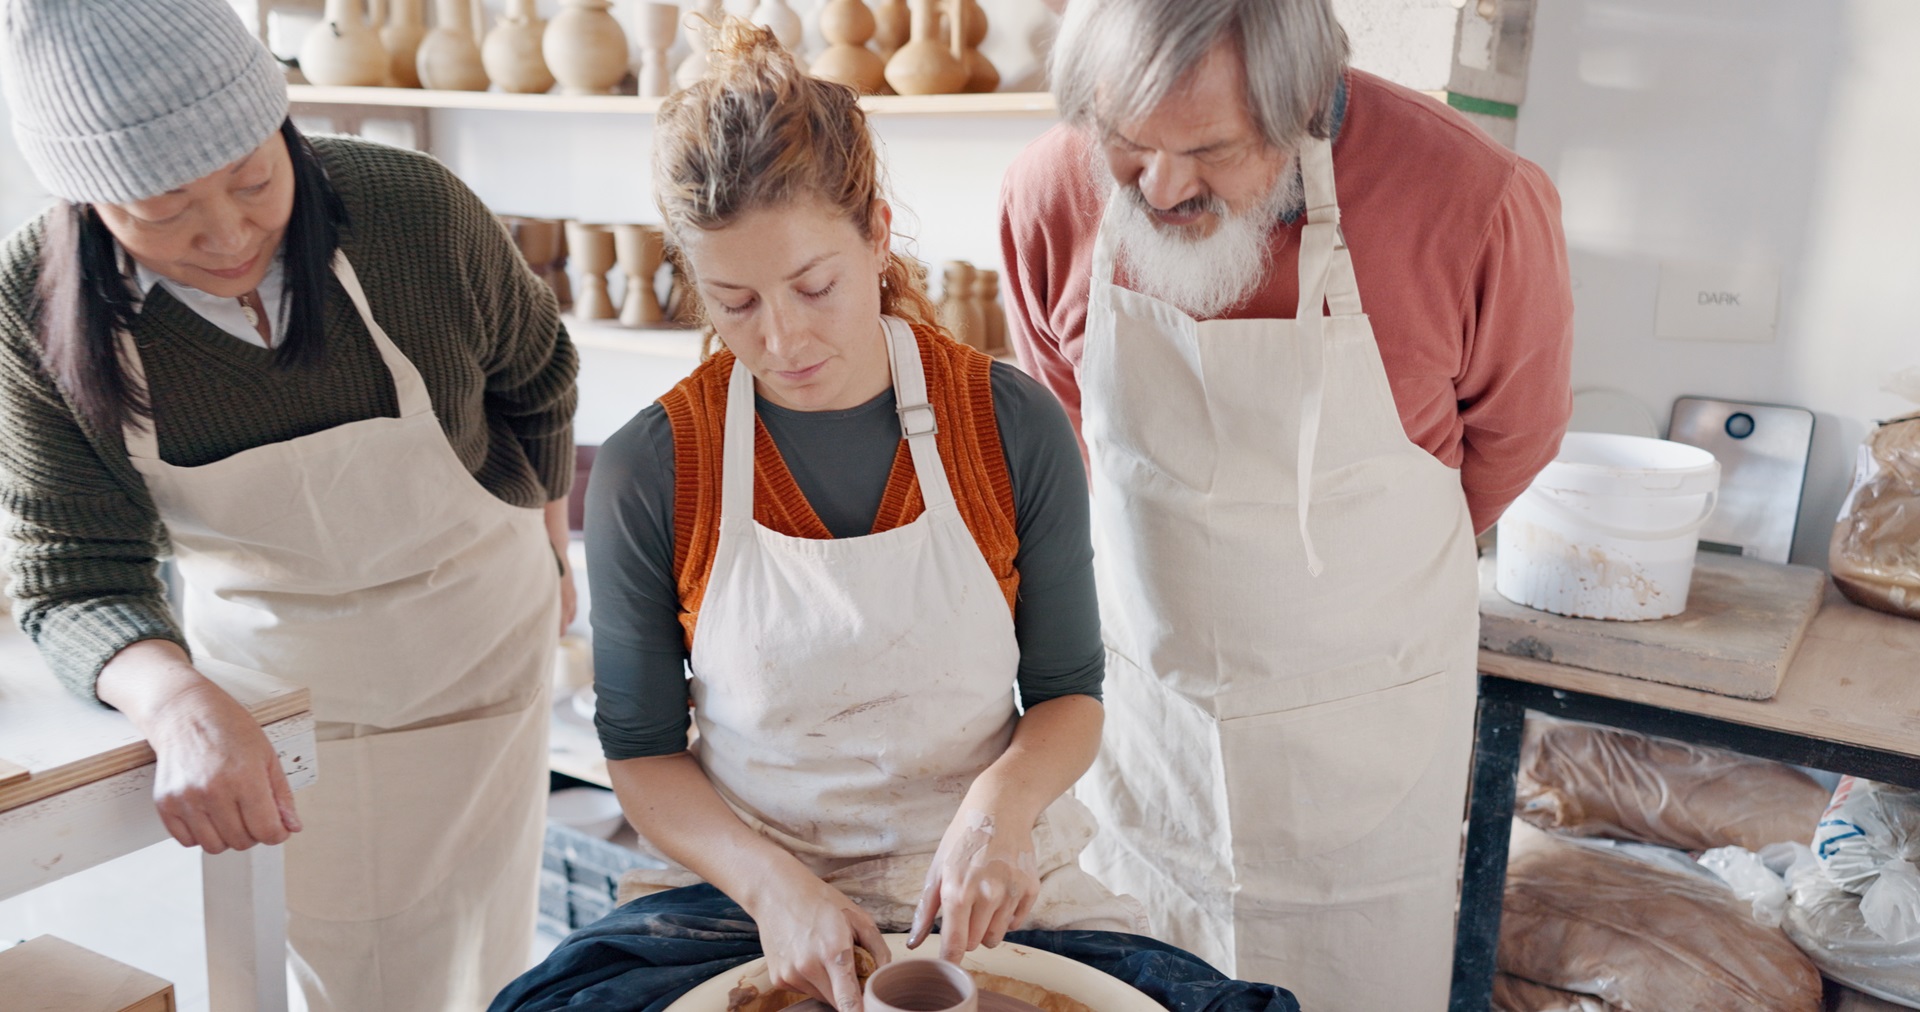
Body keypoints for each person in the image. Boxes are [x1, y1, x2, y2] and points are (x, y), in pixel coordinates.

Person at [490, 20, 1299, 1012]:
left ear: (876, 234)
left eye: (814, 286)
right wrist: (774, 889)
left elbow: (1068, 697)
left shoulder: (1006, 425)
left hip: (983, 883)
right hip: (746, 891)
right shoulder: (652, 468)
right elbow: (645, 756)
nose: (781, 338)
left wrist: (1000, 811)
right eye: (733, 300)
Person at [0, 1, 578, 1009]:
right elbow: (70, 569)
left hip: (485, 653)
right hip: (279, 707)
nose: (225, 232)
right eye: (163, 204)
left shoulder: (412, 211)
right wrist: (175, 701)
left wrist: (551, 547)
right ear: (86, 199)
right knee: (345, 973)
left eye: (254, 176)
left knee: (497, 958)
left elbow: (537, 381)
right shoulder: (34, 300)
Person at [998, 0, 1574, 1007]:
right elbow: (1066, 435)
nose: (1163, 187)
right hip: (1153, 735)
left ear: (1306, 102)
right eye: (1126, 144)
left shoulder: (1474, 202)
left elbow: (1509, 445)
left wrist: (1351, 588)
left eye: (1211, 150)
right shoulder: (1049, 195)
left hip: (1365, 748)